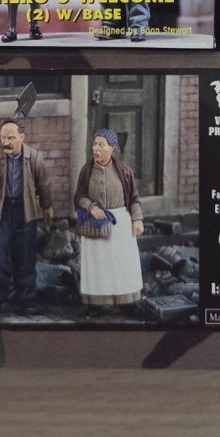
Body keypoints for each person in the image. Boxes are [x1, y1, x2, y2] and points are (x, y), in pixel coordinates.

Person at [0, 120, 54, 315]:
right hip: (1, 213)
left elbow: (44, 184)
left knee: (26, 259)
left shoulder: (34, 157)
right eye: (3, 138)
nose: (6, 142)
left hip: (25, 212)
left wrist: (47, 206)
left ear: (22, 138)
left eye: (11, 138)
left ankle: (27, 301)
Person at [73, 129, 144, 316]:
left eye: (101, 145)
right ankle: (95, 304)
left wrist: (137, 219)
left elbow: (134, 198)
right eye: (94, 144)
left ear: (112, 148)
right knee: (97, 265)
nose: (96, 149)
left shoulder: (124, 171)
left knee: (123, 262)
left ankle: (126, 301)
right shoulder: (87, 170)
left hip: (120, 223)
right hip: (95, 223)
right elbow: (79, 195)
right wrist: (90, 207)